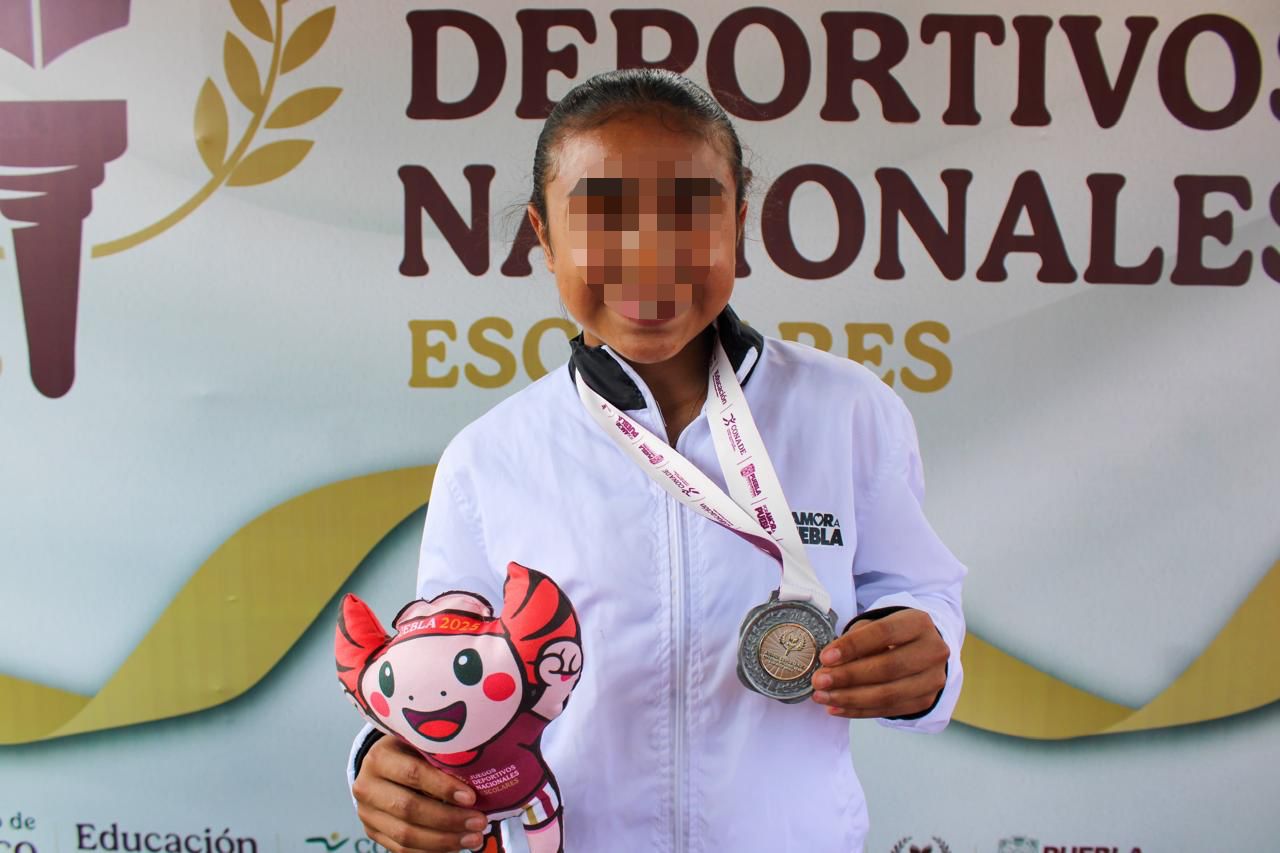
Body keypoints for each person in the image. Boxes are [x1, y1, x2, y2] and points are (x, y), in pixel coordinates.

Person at [347, 67, 965, 853]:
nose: (648, 255)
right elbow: (434, 663)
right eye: (601, 216)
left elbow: (919, 591)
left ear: (738, 221)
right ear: (543, 236)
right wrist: (384, 765)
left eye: (691, 211)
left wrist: (924, 654)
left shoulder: (847, 412)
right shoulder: (489, 458)